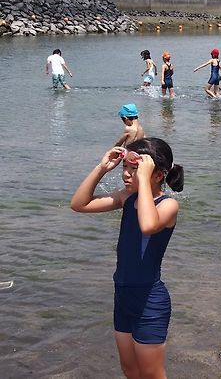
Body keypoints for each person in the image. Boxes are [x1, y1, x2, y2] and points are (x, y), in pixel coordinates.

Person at [71, 137, 184, 379]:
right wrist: (102, 167)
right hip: (123, 296)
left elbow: (148, 224)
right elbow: (79, 204)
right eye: (125, 168)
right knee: (130, 371)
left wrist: (142, 180)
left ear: (158, 175)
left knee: (151, 374)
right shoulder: (127, 198)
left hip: (149, 301)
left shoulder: (168, 205)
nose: (127, 174)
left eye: (135, 169)